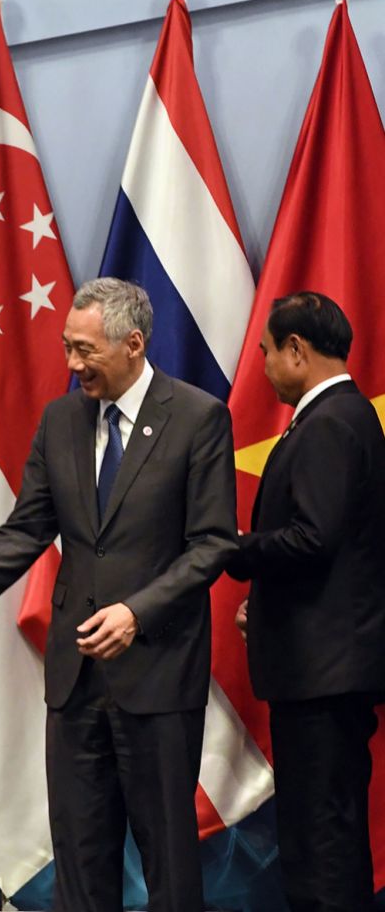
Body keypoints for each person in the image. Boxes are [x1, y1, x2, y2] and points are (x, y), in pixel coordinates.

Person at [0, 278, 238, 912]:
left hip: (157, 676)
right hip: (75, 681)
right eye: (68, 347)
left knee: (169, 864)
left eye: (85, 351)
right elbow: (28, 526)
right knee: (81, 857)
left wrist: (136, 613)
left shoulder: (198, 417)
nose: (72, 365)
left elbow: (212, 544)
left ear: (134, 344)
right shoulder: (61, 418)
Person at [227, 292, 385, 912]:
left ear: (298, 350)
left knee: (320, 839)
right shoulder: (347, 416)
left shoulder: (329, 423)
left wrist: (233, 550)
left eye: (267, 351)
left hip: (324, 676)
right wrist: (264, 601)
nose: (263, 365)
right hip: (329, 669)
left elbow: (313, 537)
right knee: (329, 831)